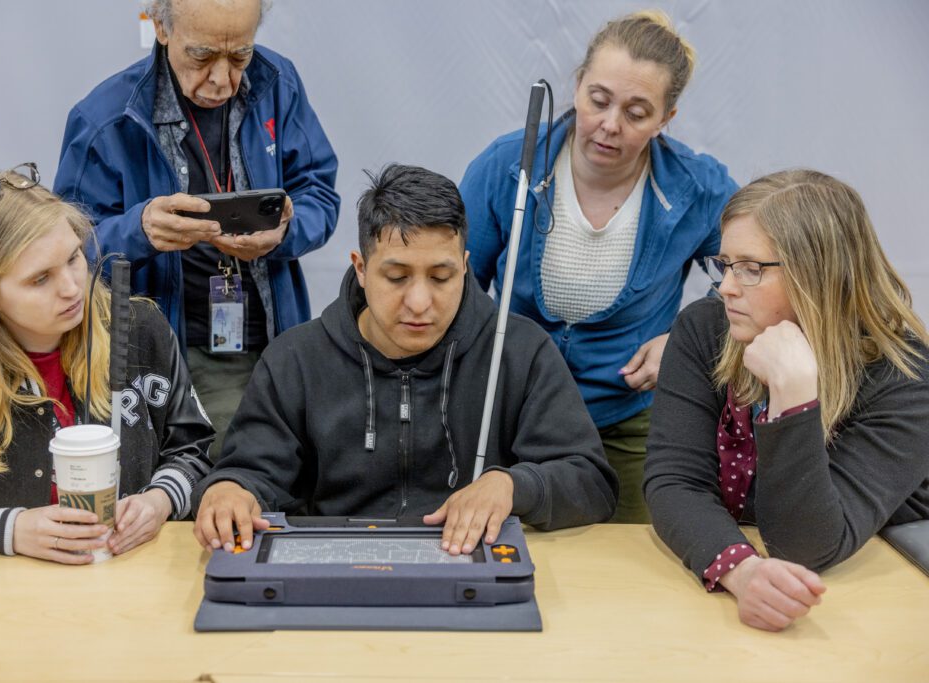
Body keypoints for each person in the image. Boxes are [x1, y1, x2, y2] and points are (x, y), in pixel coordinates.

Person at [192, 164, 618, 554]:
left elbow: (591, 482)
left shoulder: (520, 351)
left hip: (471, 568)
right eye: (396, 277)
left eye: (441, 277)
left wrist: (512, 484)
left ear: (466, 267)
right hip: (330, 568)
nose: (419, 302)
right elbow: (250, 470)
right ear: (360, 268)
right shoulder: (295, 359)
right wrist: (231, 489)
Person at [460, 10, 738, 523]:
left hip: (628, 418)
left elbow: (763, 274)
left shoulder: (696, 188)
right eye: (599, 100)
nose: (610, 125)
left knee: (633, 570)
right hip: (509, 414)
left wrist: (688, 338)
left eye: (637, 112)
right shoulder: (507, 167)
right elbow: (452, 285)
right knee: (510, 556)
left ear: (666, 119)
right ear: (578, 85)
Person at [643, 169, 929, 631]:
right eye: (725, 264)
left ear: (819, 275)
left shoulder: (907, 377)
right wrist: (742, 570)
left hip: (870, 595)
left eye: (751, 269)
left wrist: (793, 398)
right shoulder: (704, 329)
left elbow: (807, 546)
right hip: (754, 577)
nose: (726, 287)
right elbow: (675, 482)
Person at [54, 0, 340, 457]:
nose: (223, 80)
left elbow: (320, 195)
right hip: (168, 353)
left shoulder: (277, 84)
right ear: (160, 28)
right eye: (202, 56)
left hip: (276, 342)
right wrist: (139, 230)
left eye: (240, 56)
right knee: (216, 477)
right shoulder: (106, 119)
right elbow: (64, 256)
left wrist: (284, 232)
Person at [0, 164, 214, 563]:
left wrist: (160, 500)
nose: (71, 287)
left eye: (73, 258)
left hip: (132, 589)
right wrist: (7, 529)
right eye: (39, 279)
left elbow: (196, 449)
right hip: (2, 605)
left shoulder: (141, 332)